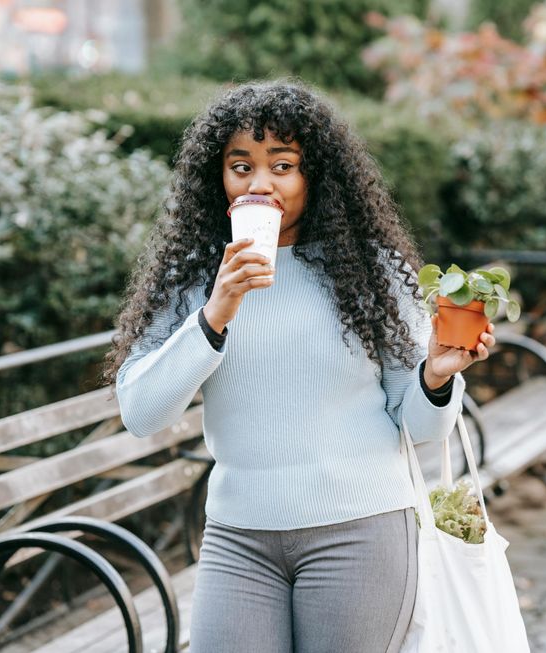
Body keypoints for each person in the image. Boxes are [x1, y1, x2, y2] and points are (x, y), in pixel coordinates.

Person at [104, 80, 496, 653]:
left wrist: (436, 376)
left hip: (360, 529)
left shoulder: (369, 270)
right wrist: (215, 314)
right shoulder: (193, 276)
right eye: (241, 166)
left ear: (315, 177)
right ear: (219, 178)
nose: (260, 183)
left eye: (282, 165)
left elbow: (420, 428)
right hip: (238, 537)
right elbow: (141, 413)